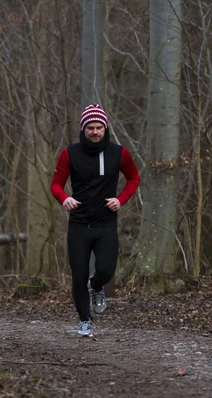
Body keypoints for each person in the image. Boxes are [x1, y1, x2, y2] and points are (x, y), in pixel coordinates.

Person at [50, 104, 140, 338]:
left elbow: (134, 178)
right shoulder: (69, 154)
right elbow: (55, 185)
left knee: (106, 270)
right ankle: (84, 321)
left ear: (105, 127)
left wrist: (120, 200)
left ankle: (98, 286)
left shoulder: (119, 153)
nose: (95, 132)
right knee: (78, 275)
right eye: (90, 127)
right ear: (83, 129)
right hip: (79, 223)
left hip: (105, 223)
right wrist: (64, 199)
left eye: (99, 127)